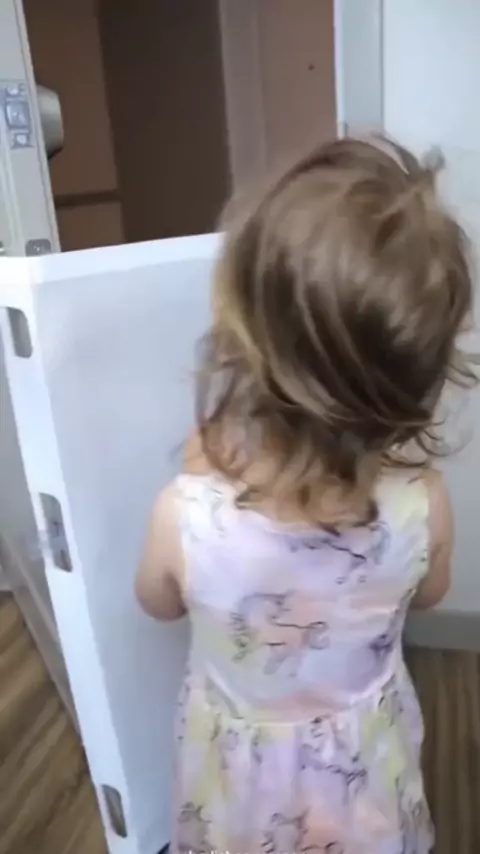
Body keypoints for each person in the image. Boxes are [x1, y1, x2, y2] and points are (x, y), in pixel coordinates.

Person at [136, 137, 476, 854]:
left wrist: (204, 484)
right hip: (364, 772)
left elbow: (157, 602)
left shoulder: (187, 515)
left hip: (240, 787)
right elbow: (431, 594)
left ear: (242, 346)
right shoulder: (423, 504)